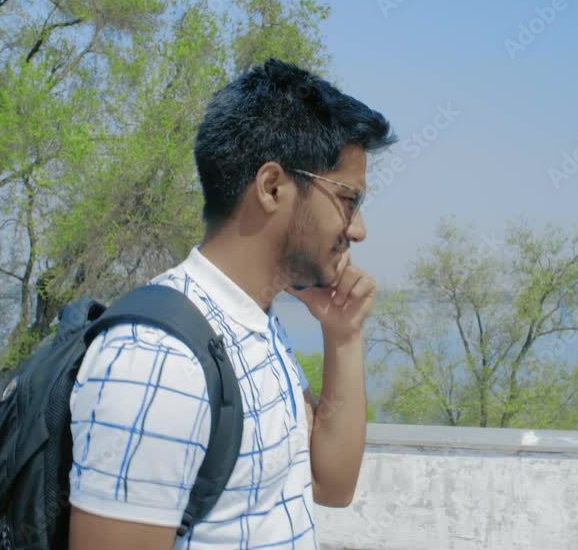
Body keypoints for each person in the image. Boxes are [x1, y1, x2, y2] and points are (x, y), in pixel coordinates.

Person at [66, 58, 395, 549]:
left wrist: (343, 334)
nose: (359, 230)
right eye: (348, 200)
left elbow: (331, 484)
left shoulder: (253, 325)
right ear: (271, 187)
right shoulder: (160, 359)